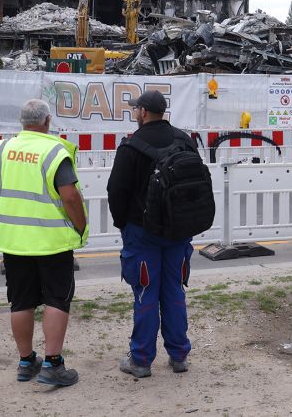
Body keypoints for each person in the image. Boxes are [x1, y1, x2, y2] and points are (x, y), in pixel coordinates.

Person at [0, 98, 88, 388]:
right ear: (48, 121)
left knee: (21, 301)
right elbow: (69, 196)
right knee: (56, 299)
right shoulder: (55, 151)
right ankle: (53, 365)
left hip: (13, 241)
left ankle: (26, 361)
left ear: (22, 122)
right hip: (51, 241)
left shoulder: (3, 149)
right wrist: (80, 227)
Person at [107, 90, 194, 378]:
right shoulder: (184, 140)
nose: (135, 113)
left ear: (143, 112)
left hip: (142, 233)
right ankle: (179, 356)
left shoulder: (132, 145)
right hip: (178, 231)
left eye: (136, 109)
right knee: (174, 292)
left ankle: (141, 360)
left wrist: (124, 224)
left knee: (146, 293)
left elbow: (116, 190)